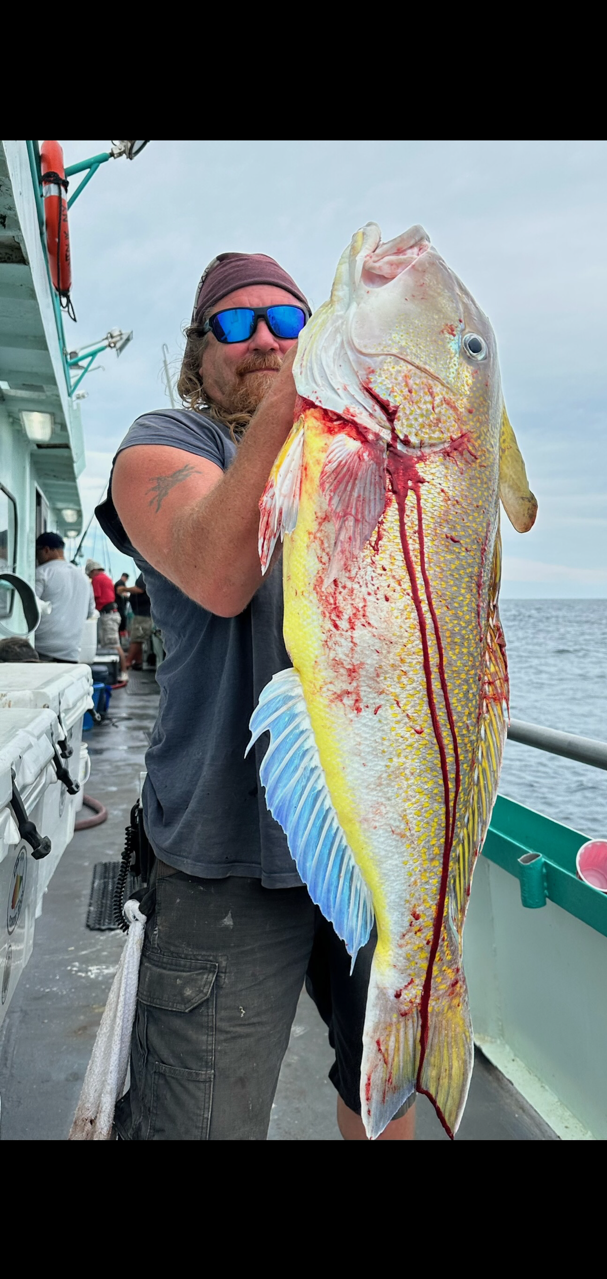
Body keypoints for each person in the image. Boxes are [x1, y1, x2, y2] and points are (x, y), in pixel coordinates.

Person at [97, 251, 415, 1141]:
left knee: (385, 1082)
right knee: (203, 1120)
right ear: (198, 354)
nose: (265, 340)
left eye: (288, 322)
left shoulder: (364, 448)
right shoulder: (163, 445)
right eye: (235, 326)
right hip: (224, 850)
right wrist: (298, 399)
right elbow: (222, 572)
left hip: (367, 835)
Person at [34, 532, 96, 663]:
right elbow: (90, 612)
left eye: (36, 552)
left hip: (41, 651)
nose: (36, 557)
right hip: (71, 653)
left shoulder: (42, 573)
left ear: (46, 550)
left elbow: (29, 606)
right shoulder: (84, 578)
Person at [85, 559, 128, 681]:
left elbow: (94, 598)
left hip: (108, 616)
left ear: (93, 571)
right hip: (112, 615)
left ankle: (123, 672)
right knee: (109, 645)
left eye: (89, 574)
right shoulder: (106, 578)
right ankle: (114, 673)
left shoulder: (97, 579)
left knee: (114, 645)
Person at [123, 573, 152, 670]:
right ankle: (138, 661)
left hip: (143, 614)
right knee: (138, 639)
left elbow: (139, 589)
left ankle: (128, 662)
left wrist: (123, 589)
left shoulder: (146, 572)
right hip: (142, 613)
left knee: (136, 638)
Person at [114, 572, 130, 638]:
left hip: (120, 605)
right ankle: (121, 635)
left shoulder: (119, 582)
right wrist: (128, 597)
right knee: (122, 619)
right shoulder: (120, 583)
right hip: (120, 605)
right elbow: (122, 593)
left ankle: (121, 635)